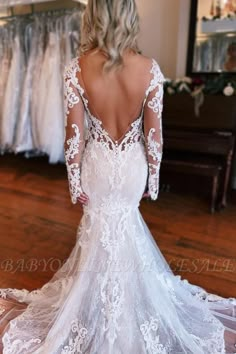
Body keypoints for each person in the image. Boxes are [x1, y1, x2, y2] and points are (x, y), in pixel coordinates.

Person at [0, 0, 236, 353]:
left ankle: (101, 305)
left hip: (97, 165)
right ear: (128, 17)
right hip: (131, 169)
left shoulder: (76, 70)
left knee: (100, 233)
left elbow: (74, 136)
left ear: (92, 17)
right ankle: (122, 303)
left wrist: (74, 182)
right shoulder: (149, 69)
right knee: (123, 229)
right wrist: (152, 180)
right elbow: (154, 135)